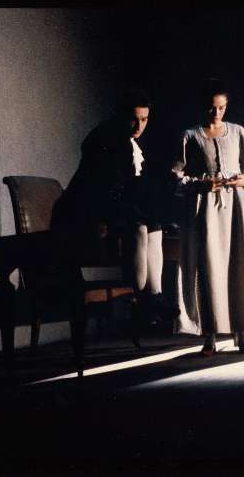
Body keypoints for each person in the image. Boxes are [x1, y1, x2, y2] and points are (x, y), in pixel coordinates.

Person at [172, 81, 244, 355]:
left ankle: (243, 333)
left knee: (240, 266)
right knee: (209, 267)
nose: (216, 113)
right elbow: (176, 176)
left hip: (237, 205)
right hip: (206, 208)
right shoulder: (190, 136)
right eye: (212, 107)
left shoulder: (237, 132)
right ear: (203, 106)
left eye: (221, 108)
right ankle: (209, 336)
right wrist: (200, 184)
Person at [51, 89, 174, 322]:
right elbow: (97, 187)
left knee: (154, 225)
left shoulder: (128, 141)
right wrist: (101, 219)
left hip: (111, 204)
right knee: (139, 227)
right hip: (82, 211)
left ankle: (154, 297)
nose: (139, 126)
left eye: (144, 120)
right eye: (134, 119)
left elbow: (128, 188)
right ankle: (142, 298)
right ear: (122, 116)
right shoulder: (105, 139)